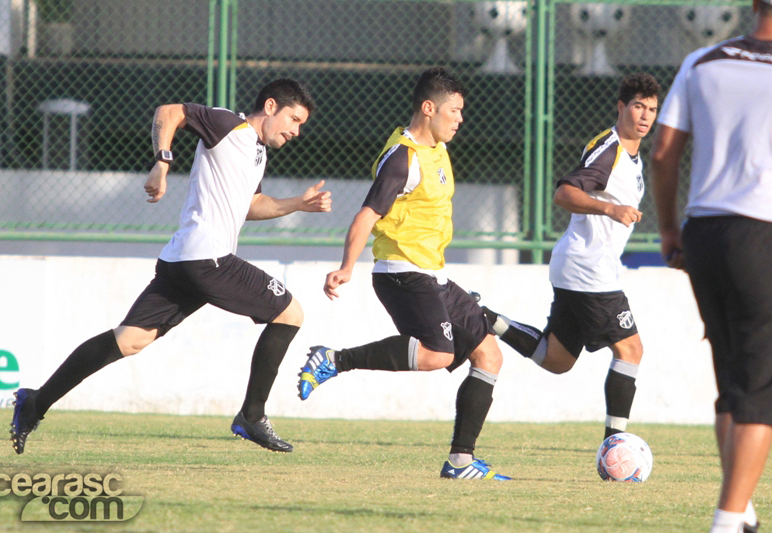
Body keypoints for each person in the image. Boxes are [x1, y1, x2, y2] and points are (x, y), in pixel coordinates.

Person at [10, 79, 332, 455]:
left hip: (183, 261)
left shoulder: (256, 152)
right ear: (271, 106)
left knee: (130, 339)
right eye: (294, 119)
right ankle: (252, 415)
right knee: (290, 313)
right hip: (208, 259)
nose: (296, 131)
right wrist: (162, 163)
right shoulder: (229, 124)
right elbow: (169, 112)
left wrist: (298, 204)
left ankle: (35, 403)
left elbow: (251, 205)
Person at [296, 67, 510, 481]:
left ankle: (460, 463)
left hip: (434, 274)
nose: (460, 118)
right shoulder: (403, 159)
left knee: (489, 355)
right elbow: (366, 216)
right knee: (438, 353)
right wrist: (346, 267)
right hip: (401, 272)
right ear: (429, 109)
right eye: (454, 110)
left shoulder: (437, 148)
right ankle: (334, 360)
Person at [476, 73, 660, 442]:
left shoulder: (631, 154)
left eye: (652, 109)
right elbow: (564, 193)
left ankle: (484, 317)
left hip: (579, 266)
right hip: (589, 269)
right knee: (630, 349)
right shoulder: (609, 149)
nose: (645, 115)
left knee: (556, 360)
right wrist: (609, 209)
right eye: (638, 106)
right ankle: (615, 446)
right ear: (621, 107)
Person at [651, 1, 772, 530]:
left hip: (704, 232)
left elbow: (663, 153)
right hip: (763, 232)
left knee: (732, 382)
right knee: (761, 392)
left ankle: (741, 511)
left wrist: (669, 228)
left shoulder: (703, 60)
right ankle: (726, 521)